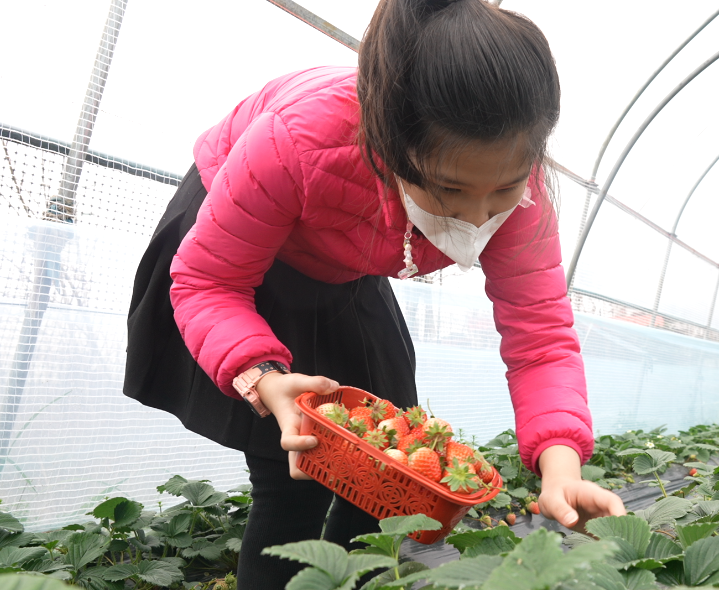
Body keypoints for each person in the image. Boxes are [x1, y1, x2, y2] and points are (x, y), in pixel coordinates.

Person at [123, 0, 624, 587]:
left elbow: (540, 338)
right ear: (391, 145)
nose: (476, 216)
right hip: (240, 246)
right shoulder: (298, 142)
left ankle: (351, 578)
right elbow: (209, 279)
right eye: (449, 190)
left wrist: (561, 466)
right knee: (299, 466)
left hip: (349, 250)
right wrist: (263, 377)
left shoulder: (521, 195)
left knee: (390, 469)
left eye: (502, 190)